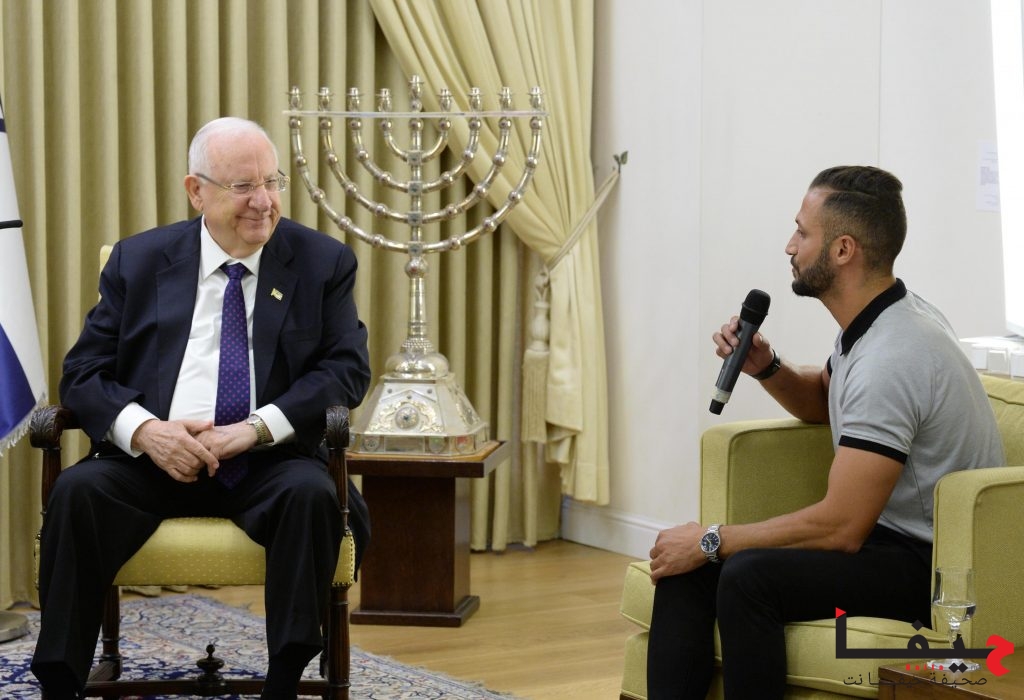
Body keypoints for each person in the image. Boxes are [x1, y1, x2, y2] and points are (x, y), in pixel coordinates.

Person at [30, 117, 371, 700]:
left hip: (268, 460)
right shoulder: (139, 261)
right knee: (77, 493)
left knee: (311, 496)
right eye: (243, 186)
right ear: (197, 191)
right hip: (150, 462)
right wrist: (147, 431)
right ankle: (61, 683)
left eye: (272, 181)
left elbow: (345, 370)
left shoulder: (322, 262)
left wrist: (256, 428)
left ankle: (285, 681)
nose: (264, 201)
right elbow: (82, 373)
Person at [646, 165, 1005, 699]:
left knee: (746, 576)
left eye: (802, 231)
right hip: (887, 542)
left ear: (842, 250)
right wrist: (768, 368)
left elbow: (841, 528)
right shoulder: (879, 319)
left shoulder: (894, 355)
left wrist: (711, 538)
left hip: (928, 564)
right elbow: (825, 401)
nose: (789, 245)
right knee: (686, 570)